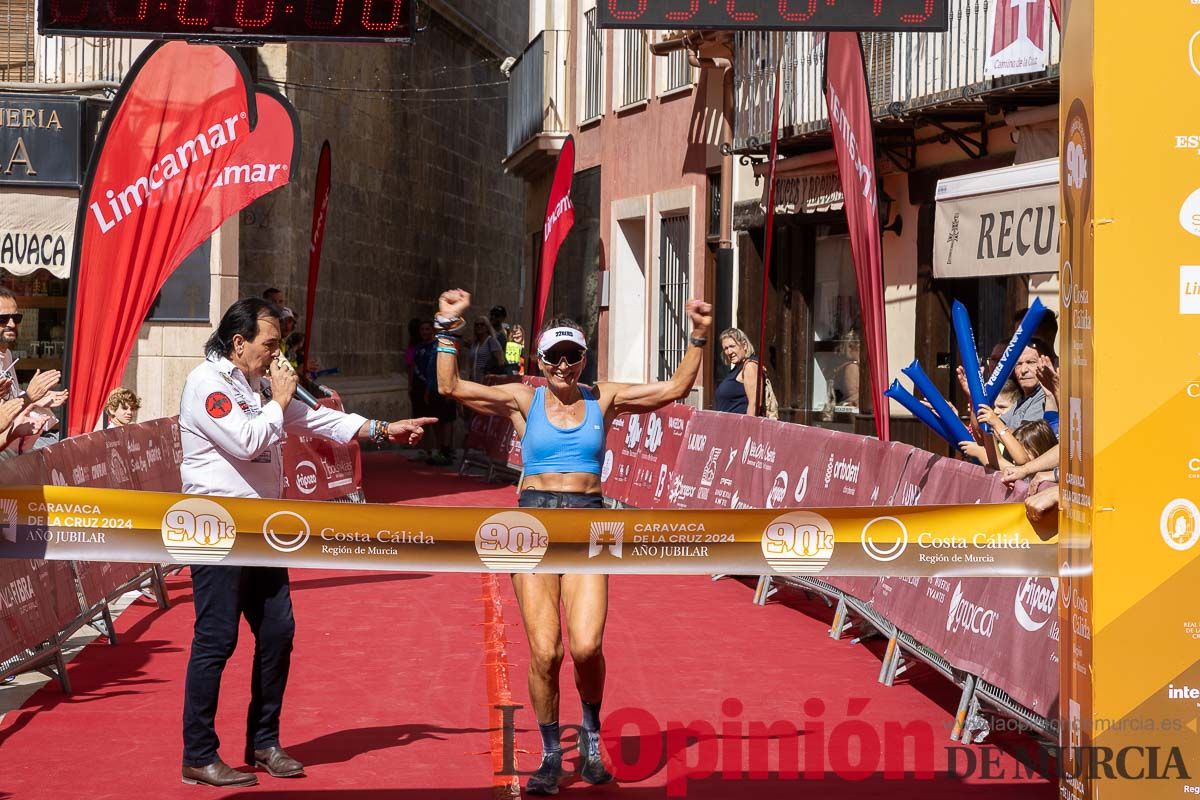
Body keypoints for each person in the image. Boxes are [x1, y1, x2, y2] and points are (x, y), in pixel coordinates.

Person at [435, 287, 713, 795]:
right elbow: (451, 387)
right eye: (554, 357)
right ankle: (548, 755)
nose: (563, 366)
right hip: (534, 527)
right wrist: (447, 327)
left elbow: (673, 389)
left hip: (588, 526)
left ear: (583, 358)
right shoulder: (524, 398)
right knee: (546, 653)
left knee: (586, 647)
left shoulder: (602, 396)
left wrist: (697, 335)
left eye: (572, 356)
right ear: (539, 360)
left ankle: (589, 736)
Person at [178, 298, 435, 788]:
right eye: (270, 346)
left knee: (278, 633)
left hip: (262, 530)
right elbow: (248, 441)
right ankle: (198, 753)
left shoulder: (258, 383)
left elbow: (320, 420)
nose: (279, 358)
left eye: (280, 347)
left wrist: (383, 429)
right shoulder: (206, 384)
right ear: (239, 343)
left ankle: (264, 741)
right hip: (216, 529)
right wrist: (277, 400)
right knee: (217, 640)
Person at [0, 288, 66, 452]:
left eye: (16, 317)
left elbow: (10, 405)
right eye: (2, 319)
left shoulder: (6, 354)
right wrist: (29, 397)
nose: (11, 324)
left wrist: (38, 401)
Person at [715, 328, 760, 416]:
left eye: (732, 346)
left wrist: (749, 428)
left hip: (739, 427)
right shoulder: (736, 369)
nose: (729, 352)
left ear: (744, 345)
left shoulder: (749, 366)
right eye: (726, 348)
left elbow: (753, 404)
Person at [469, 316, 505, 382]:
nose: (479, 326)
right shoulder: (474, 343)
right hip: (474, 382)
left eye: (482, 324)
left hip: (487, 383)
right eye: (476, 324)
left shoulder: (491, 341)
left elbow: (500, 362)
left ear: (487, 327)